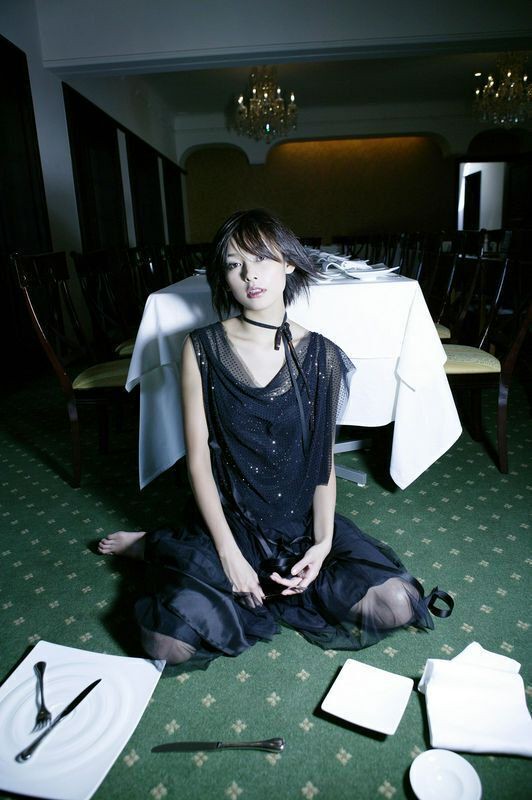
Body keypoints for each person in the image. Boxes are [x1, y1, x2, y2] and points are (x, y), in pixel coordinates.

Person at [98, 209, 452, 667]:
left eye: (261, 258)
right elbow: (198, 461)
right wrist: (229, 555)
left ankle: (175, 546)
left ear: (288, 262)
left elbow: (323, 464)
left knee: (396, 604)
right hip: (232, 517)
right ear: (223, 277)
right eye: (234, 264)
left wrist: (322, 544)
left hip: (298, 520)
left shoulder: (323, 355)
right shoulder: (201, 348)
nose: (249, 274)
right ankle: (157, 543)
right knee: (168, 643)